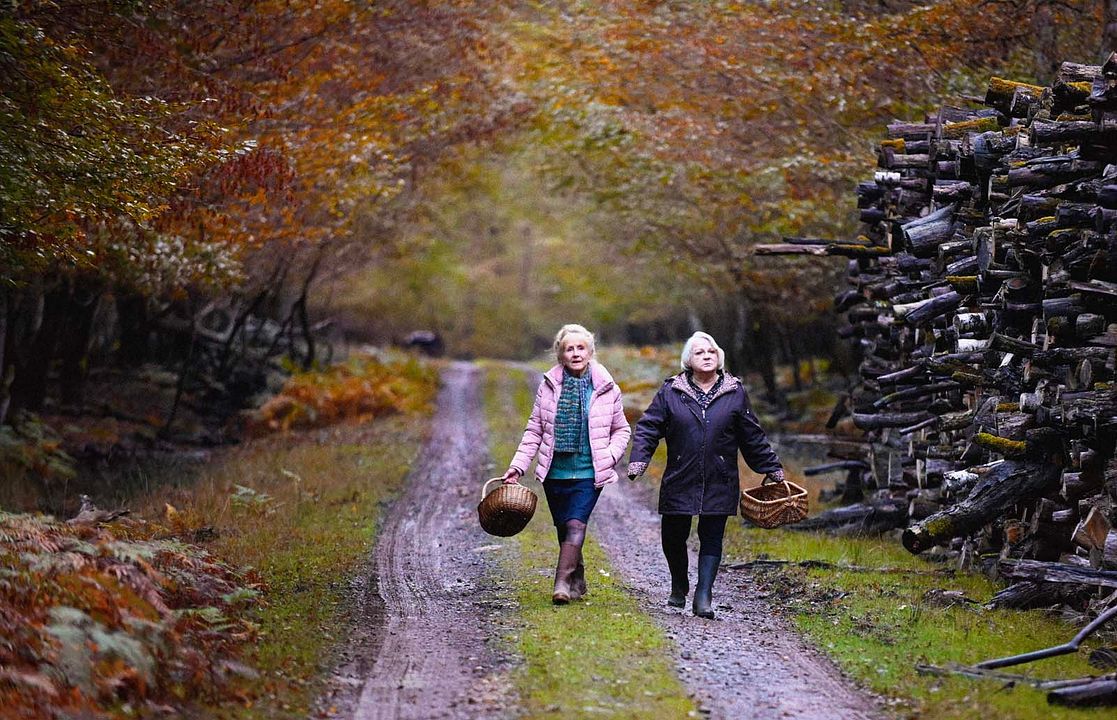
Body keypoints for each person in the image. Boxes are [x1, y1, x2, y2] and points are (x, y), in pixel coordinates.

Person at [626, 331, 783, 619]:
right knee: (673, 534)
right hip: (680, 473)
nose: (707, 356)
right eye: (700, 352)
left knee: (712, 535)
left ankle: (703, 595)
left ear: (719, 356)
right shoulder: (671, 391)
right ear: (689, 360)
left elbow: (752, 435)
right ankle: (679, 583)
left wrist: (771, 467)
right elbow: (649, 427)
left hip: (719, 475)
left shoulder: (735, 391)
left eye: (711, 351)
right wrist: (639, 459)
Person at [502, 324, 631, 605]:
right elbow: (534, 430)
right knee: (564, 527)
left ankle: (560, 582)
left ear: (590, 352)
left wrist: (609, 457)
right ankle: (577, 576)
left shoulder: (607, 388)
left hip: (589, 470)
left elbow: (622, 430)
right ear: (560, 355)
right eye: (569, 349)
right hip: (555, 472)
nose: (575, 353)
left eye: (580, 348)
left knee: (576, 523)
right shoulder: (548, 387)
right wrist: (518, 466)